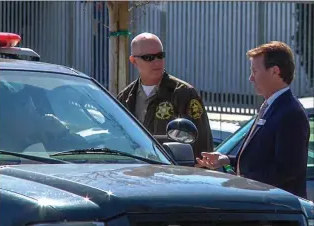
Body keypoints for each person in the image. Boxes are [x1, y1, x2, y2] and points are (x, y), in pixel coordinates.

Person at [196, 41, 310, 198]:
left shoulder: (291, 113)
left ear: (275, 72)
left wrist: (242, 182)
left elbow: (287, 170)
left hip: (277, 211)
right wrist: (227, 160)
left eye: (255, 71)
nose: (251, 78)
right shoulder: (270, 106)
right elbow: (260, 159)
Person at [117, 32, 214, 159]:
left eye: (160, 56)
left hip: (172, 172)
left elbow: (202, 144)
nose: (157, 61)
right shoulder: (125, 98)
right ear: (134, 61)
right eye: (149, 57)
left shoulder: (184, 93)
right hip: (137, 170)